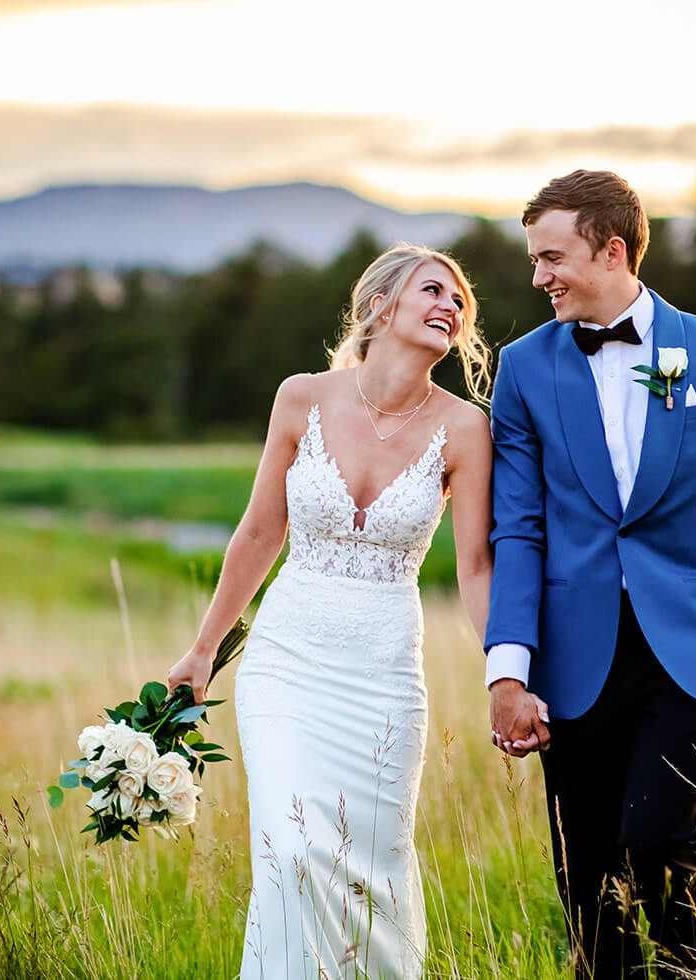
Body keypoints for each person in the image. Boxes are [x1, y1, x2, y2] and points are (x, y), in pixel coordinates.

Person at [165, 243, 509, 979]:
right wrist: (202, 650)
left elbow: (477, 569)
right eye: (433, 290)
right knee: (289, 848)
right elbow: (260, 532)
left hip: (384, 677)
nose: (451, 306)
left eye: (460, 302)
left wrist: (505, 674)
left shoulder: (466, 430)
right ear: (378, 306)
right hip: (286, 663)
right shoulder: (302, 398)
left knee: (370, 875)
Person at [484, 170, 696, 978]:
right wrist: (506, 671)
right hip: (569, 659)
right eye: (535, 258)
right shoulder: (521, 368)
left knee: (657, 843)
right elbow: (517, 529)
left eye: (552, 257)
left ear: (612, 249)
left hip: (685, 654)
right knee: (586, 876)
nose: (538, 276)